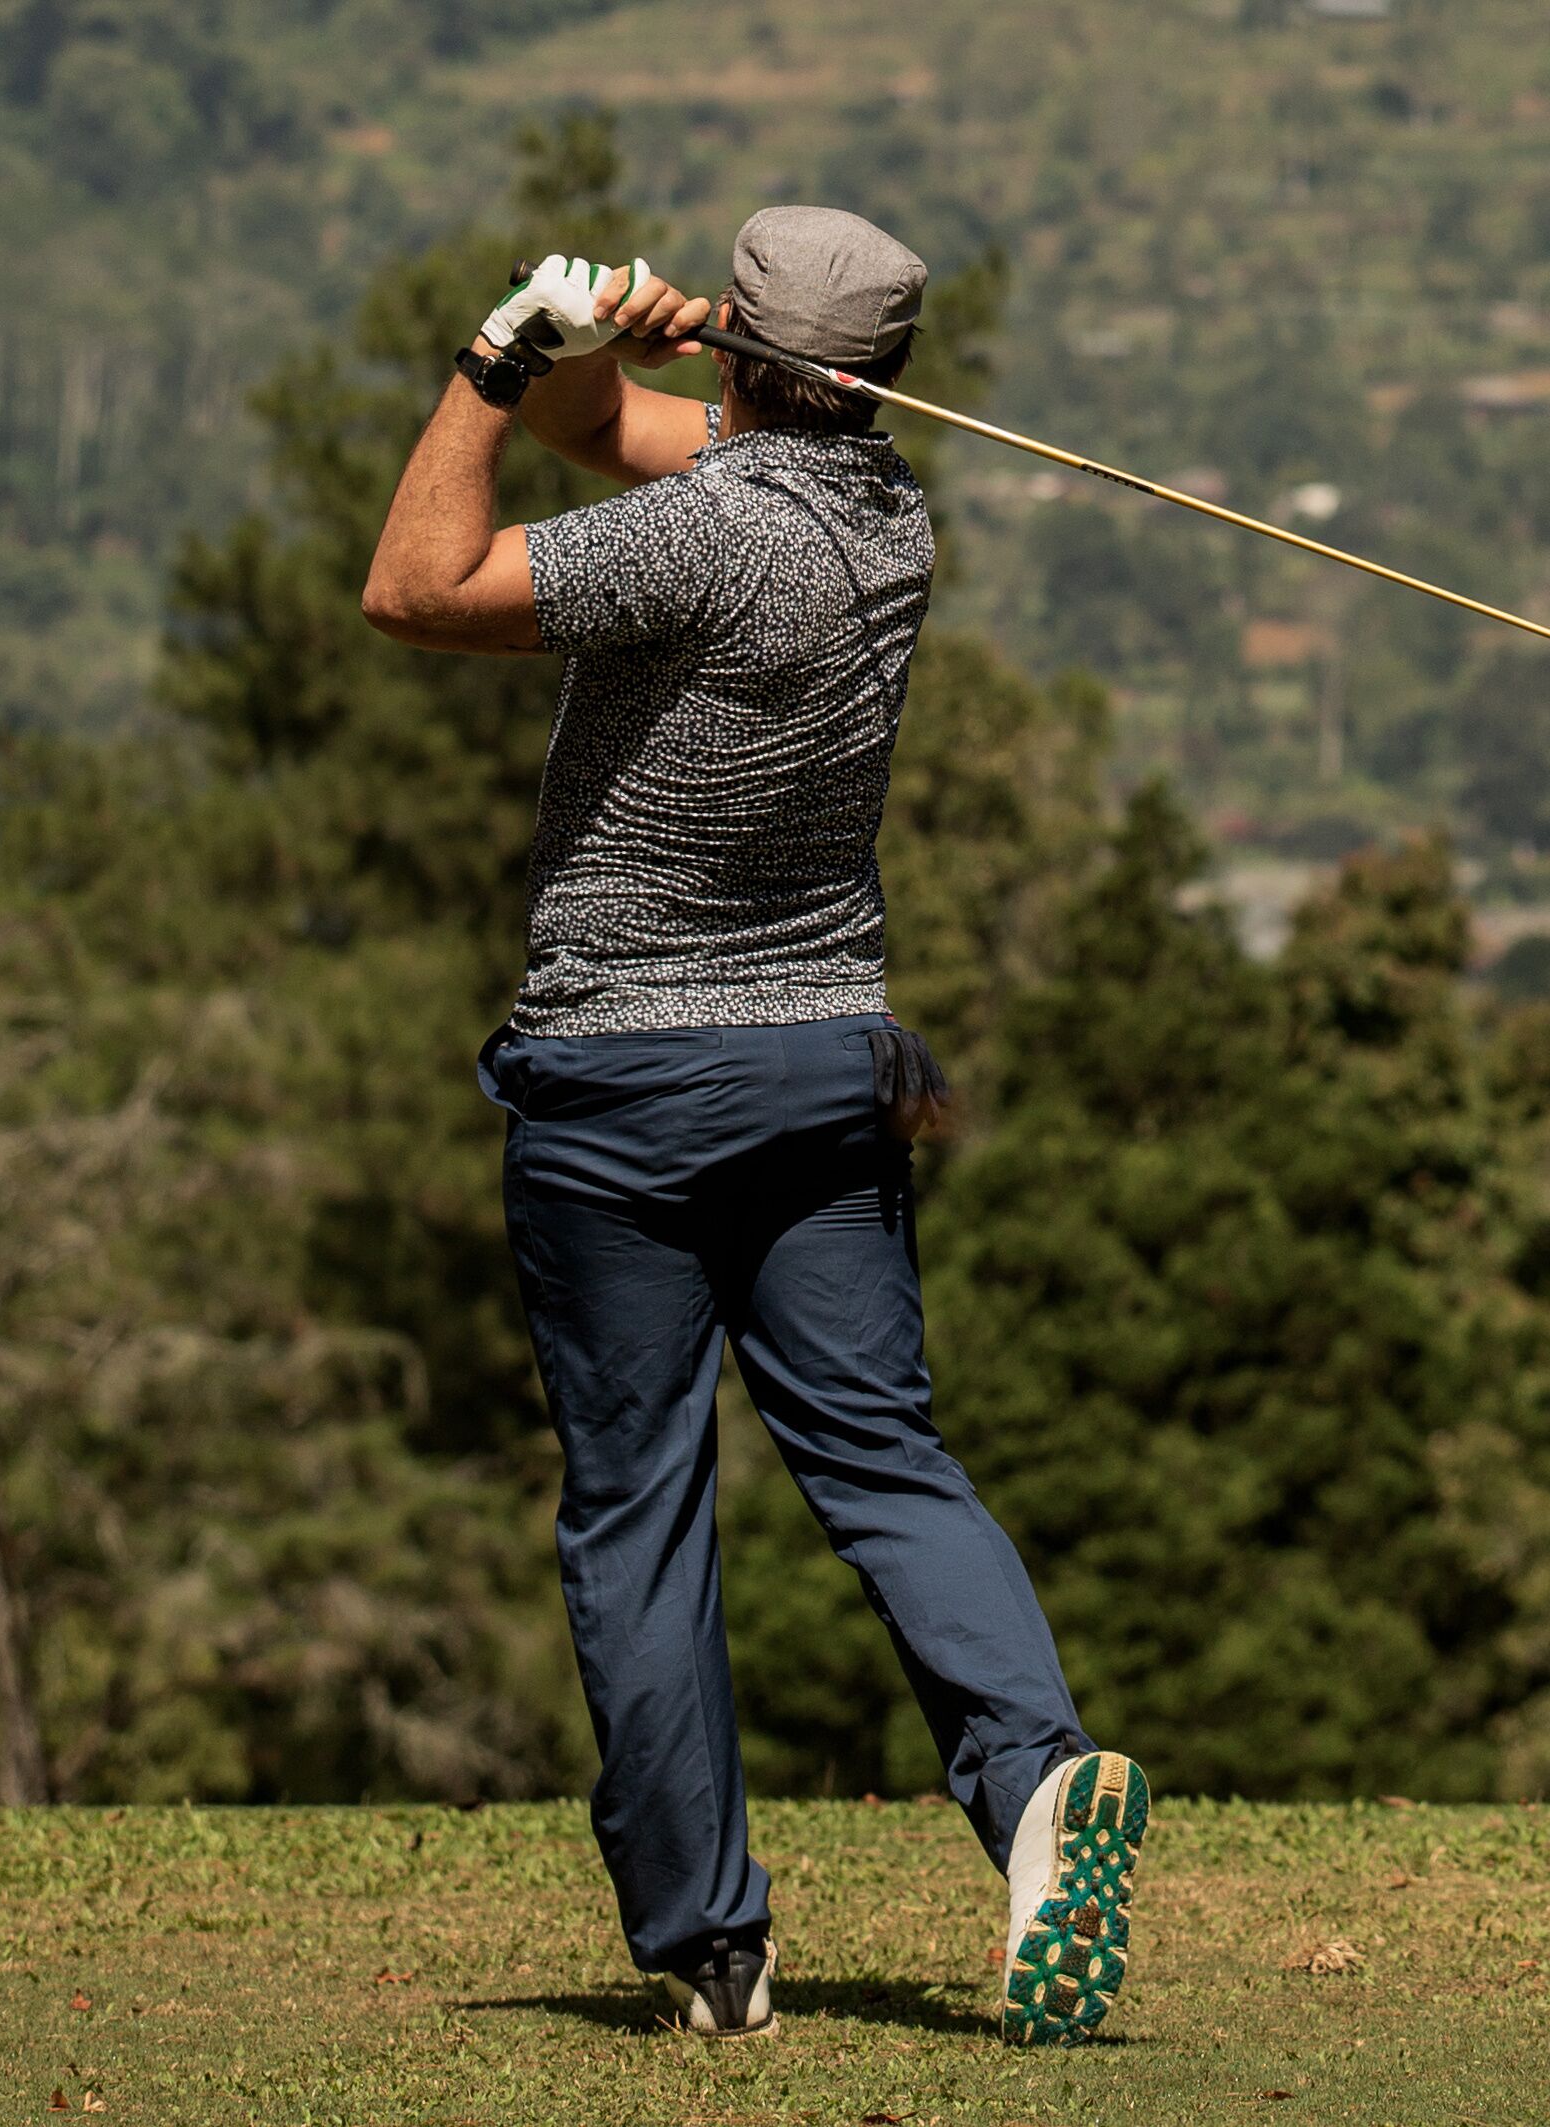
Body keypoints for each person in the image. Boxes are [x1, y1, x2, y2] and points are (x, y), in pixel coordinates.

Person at [355, 207, 1146, 2048]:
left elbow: (411, 586)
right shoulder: (883, 520)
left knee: (639, 1508)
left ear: (750, 357)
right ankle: (1032, 1785)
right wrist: (598, 355)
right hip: (822, 1065)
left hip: (622, 1083)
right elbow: (611, 446)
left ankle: (712, 1944)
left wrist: (490, 357)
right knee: (882, 1457)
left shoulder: (712, 527)